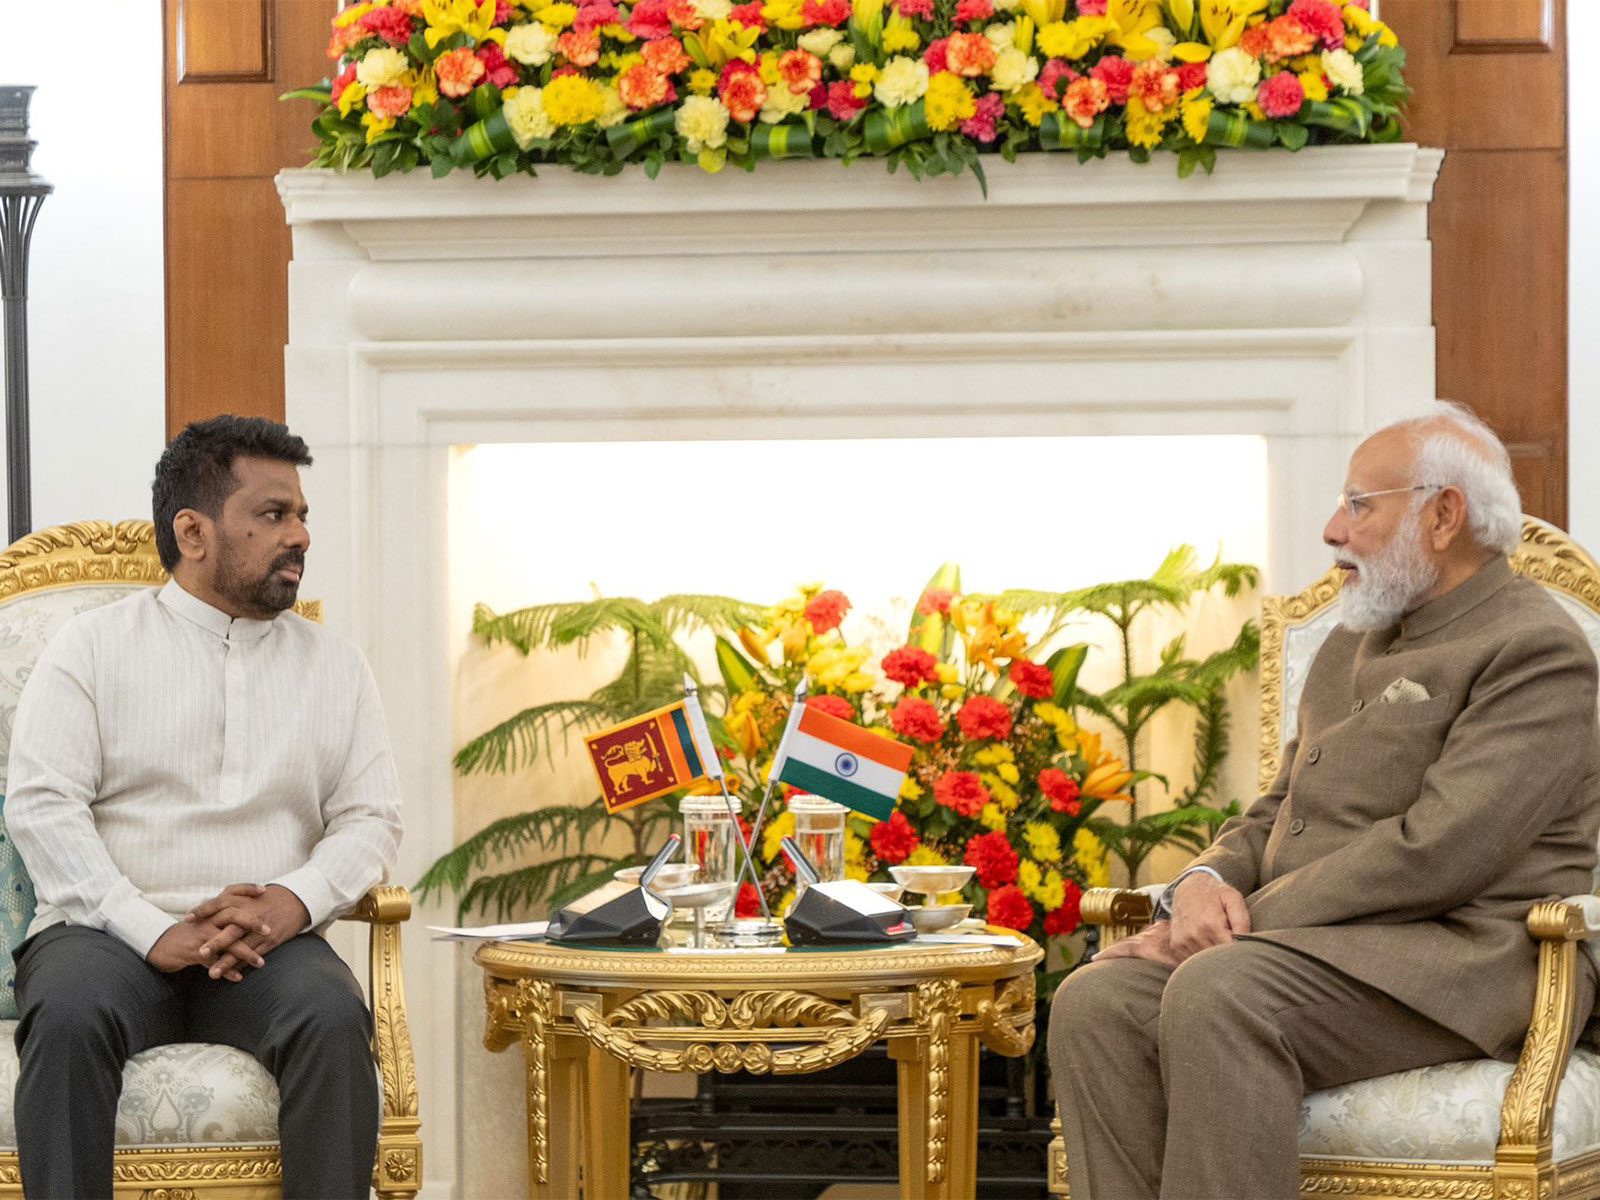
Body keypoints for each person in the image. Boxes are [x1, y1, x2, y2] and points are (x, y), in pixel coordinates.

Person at [1048, 403, 1600, 1200]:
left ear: (1443, 515)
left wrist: (1238, 924)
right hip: (1315, 951)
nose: (1332, 530)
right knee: (1096, 999)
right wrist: (1198, 888)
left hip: (1460, 959)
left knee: (1219, 989)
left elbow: (1438, 851)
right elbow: (1278, 806)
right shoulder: (1353, 637)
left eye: (1358, 505)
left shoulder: (1536, 649)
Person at [6, 415, 403, 1199]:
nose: (300, 536)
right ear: (193, 531)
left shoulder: (335, 664)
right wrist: (154, 930)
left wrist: (296, 901)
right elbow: (44, 807)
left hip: (268, 945)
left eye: (302, 515)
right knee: (68, 1015)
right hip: (105, 933)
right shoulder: (89, 648)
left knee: (330, 1017)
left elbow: (372, 817)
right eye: (272, 515)